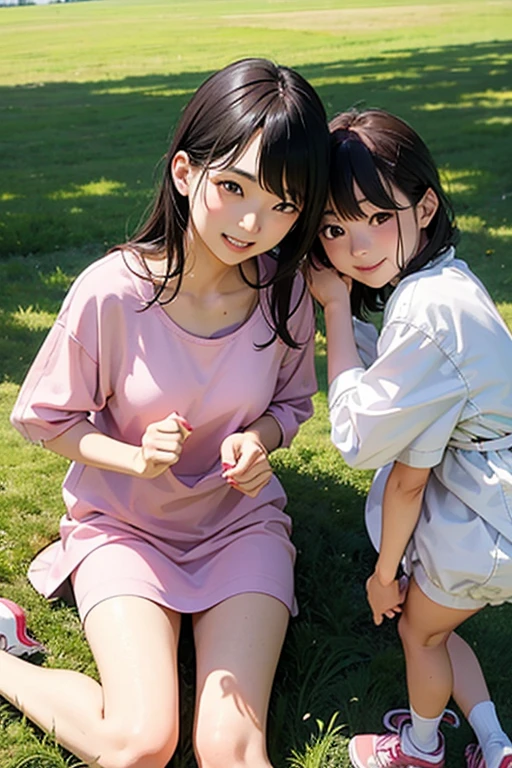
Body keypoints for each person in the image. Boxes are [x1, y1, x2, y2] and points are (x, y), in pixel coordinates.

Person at [4, 58, 330, 768]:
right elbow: (41, 417)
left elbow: (293, 403)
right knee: (139, 745)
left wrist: (258, 440)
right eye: (234, 187)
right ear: (185, 172)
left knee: (231, 749)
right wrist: (132, 458)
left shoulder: (284, 294)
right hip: (124, 529)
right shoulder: (112, 292)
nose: (254, 223)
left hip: (239, 528)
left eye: (283, 204)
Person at [306, 107, 512, 768]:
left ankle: (420, 748)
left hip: (482, 527)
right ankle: (496, 743)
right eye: (335, 229)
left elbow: (370, 447)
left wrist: (382, 574)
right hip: (487, 509)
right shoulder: (442, 282)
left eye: (375, 218)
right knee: (440, 625)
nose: (356, 247)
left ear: (424, 207)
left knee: (419, 636)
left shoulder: (424, 313)